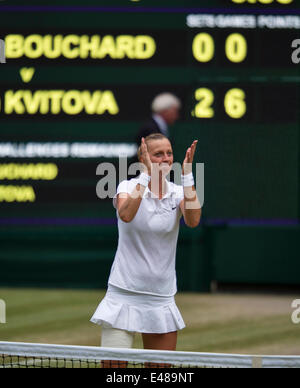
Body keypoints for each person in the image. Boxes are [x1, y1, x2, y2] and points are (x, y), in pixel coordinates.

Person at [90, 133, 201, 367]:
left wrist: (188, 175)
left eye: (169, 153)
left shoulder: (179, 192)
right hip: (122, 295)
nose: (165, 159)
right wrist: (146, 176)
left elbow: (193, 220)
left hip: (161, 299)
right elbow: (126, 214)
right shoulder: (127, 186)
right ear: (145, 158)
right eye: (158, 154)